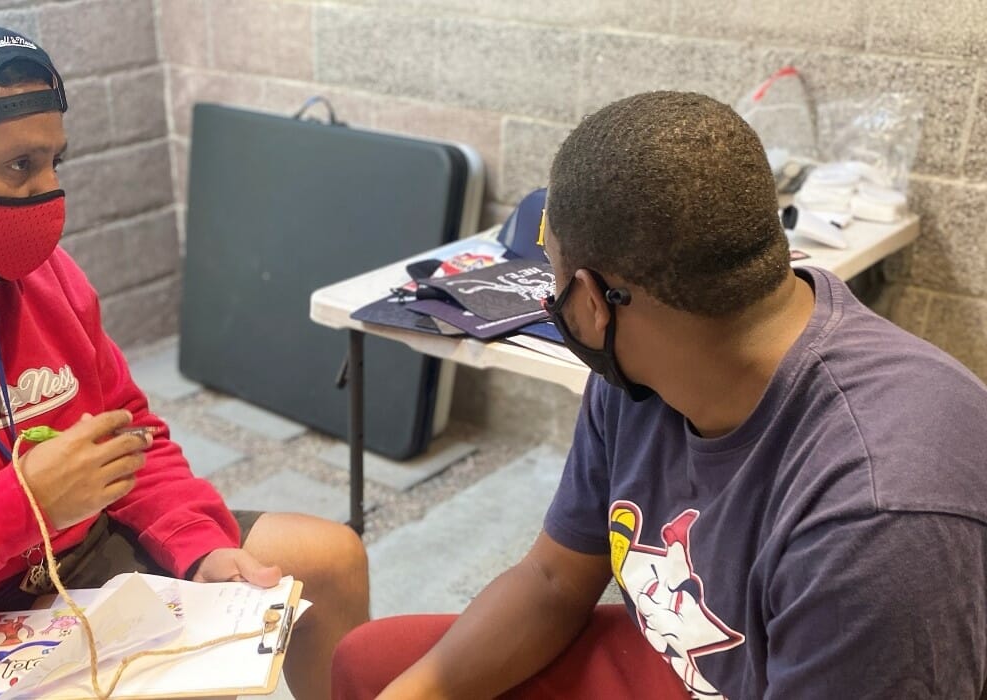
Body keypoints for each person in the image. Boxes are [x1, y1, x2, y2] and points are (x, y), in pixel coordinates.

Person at [330, 91, 987, 699]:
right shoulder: (644, 372)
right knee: (371, 662)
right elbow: (555, 578)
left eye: (549, 271)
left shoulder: (880, 520)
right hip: (697, 660)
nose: (547, 295)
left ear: (591, 300)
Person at [0, 16, 367, 700]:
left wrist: (197, 543)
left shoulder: (42, 274)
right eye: (19, 166)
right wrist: (17, 508)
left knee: (327, 560)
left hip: (71, 560)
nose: (47, 193)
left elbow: (131, 436)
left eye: (54, 161)